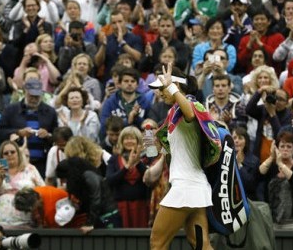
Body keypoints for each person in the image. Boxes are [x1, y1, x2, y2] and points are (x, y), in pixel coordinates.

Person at [148, 64, 221, 250]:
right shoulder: (173, 114)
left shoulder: (190, 105)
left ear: (176, 86)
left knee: (157, 244)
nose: (160, 92)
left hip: (185, 189)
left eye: (162, 87)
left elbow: (189, 113)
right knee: (200, 244)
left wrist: (171, 86)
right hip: (195, 189)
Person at [0, 79, 58, 178]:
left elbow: (57, 135)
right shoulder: (11, 110)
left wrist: (48, 135)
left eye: (36, 96)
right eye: (31, 96)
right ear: (25, 92)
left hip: (42, 162)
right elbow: (0, 133)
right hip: (16, 162)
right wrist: (19, 132)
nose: (34, 99)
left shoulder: (50, 112)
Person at [0, 140, 45, 227]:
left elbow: (43, 191)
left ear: (18, 153)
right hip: (2, 223)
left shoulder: (31, 169)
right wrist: (1, 178)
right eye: (6, 153)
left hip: (27, 222)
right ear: (2, 157)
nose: (9, 154)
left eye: (12, 152)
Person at [55, 157, 122, 233]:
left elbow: (96, 200)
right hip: (101, 215)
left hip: (107, 216)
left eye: (65, 178)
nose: (64, 182)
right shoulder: (82, 180)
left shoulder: (89, 176)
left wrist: (90, 223)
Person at [259, 131, 293, 229]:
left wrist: (281, 164)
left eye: (289, 146)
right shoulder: (273, 167)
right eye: (282, 146)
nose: (285, 149)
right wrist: (271, 157)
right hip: (274, 221)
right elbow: (260, 173)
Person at [106, 126, 150, 228]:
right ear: (121, 141)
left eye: (132, 138)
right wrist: (126, 167)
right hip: (121, 207)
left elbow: (149, 179)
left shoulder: (146, 157)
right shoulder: (114, 158)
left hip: (141, 206)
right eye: (126, 138)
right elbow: (110, 180)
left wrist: (138, 163)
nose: (129, 141)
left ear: (138, 140)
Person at [232, 127, 260, 200]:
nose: (236, 141)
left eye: (240, 138)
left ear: (246, 141)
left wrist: (239, 165)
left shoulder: (254, 161)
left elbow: (251, 185)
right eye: (234, 138)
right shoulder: (226, 157)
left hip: (247, 199)